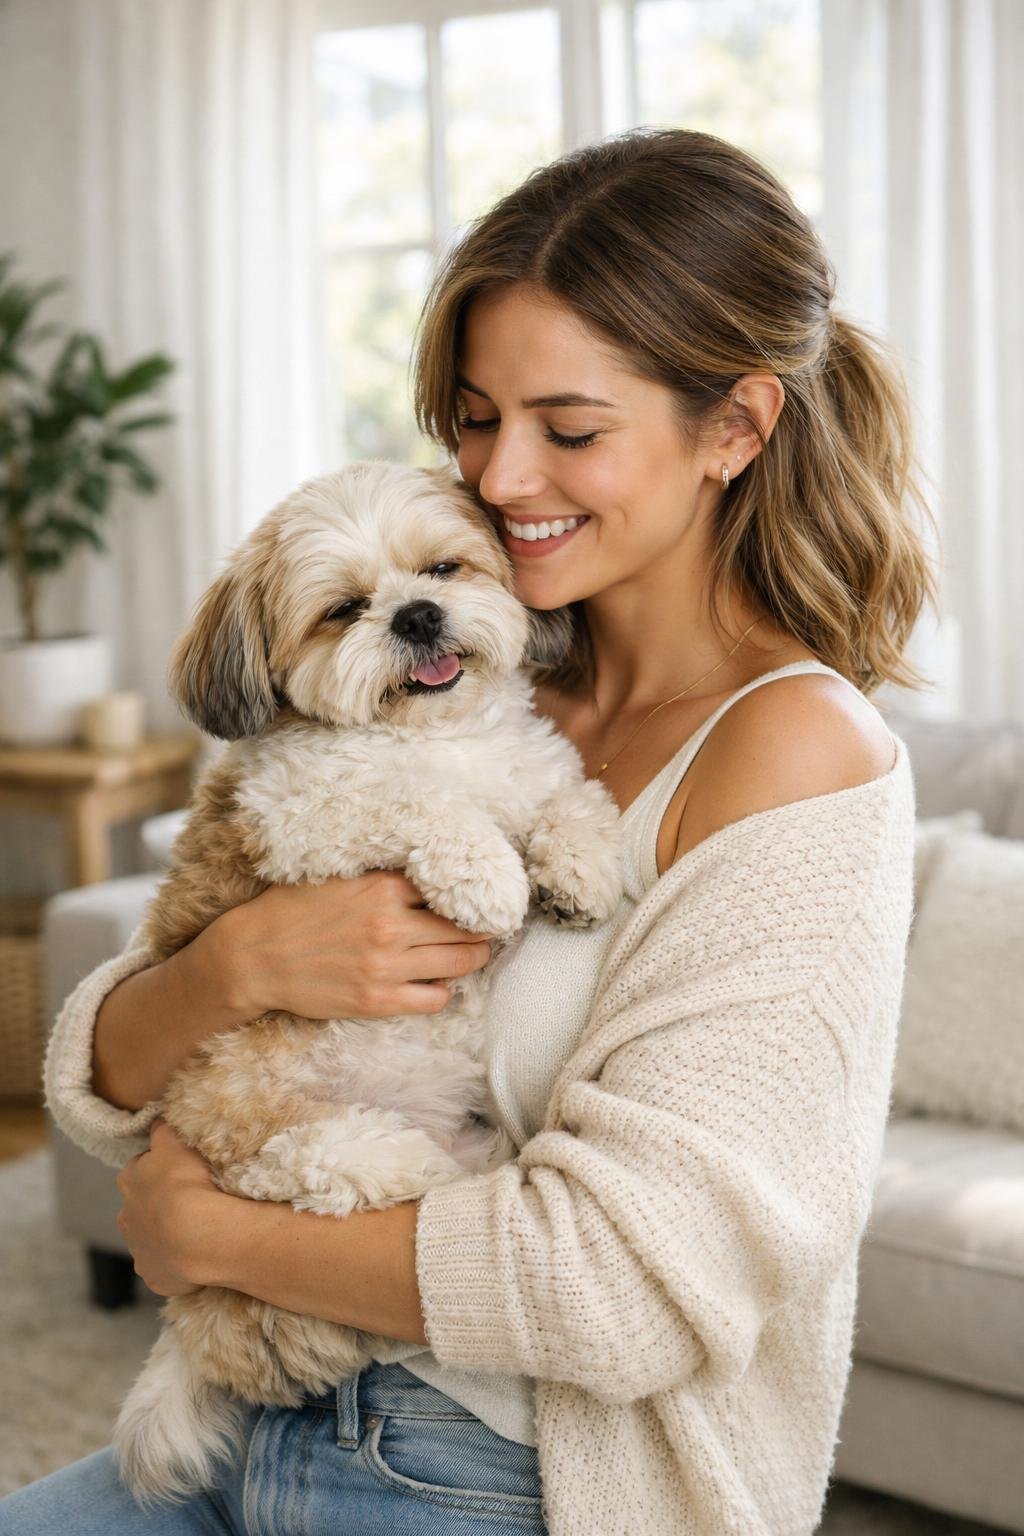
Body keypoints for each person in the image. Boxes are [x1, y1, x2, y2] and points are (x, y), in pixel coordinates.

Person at [2, 127, 933, 1535]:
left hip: (497, 1473)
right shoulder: (465, 678)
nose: (498, 481)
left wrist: (216, 1237)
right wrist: (230, 971)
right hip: (253, 1408)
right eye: (476, 417)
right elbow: (107, 1073)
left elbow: (624, 1289)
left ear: (734, 429)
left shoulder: (794, 755)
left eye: (569, 430)